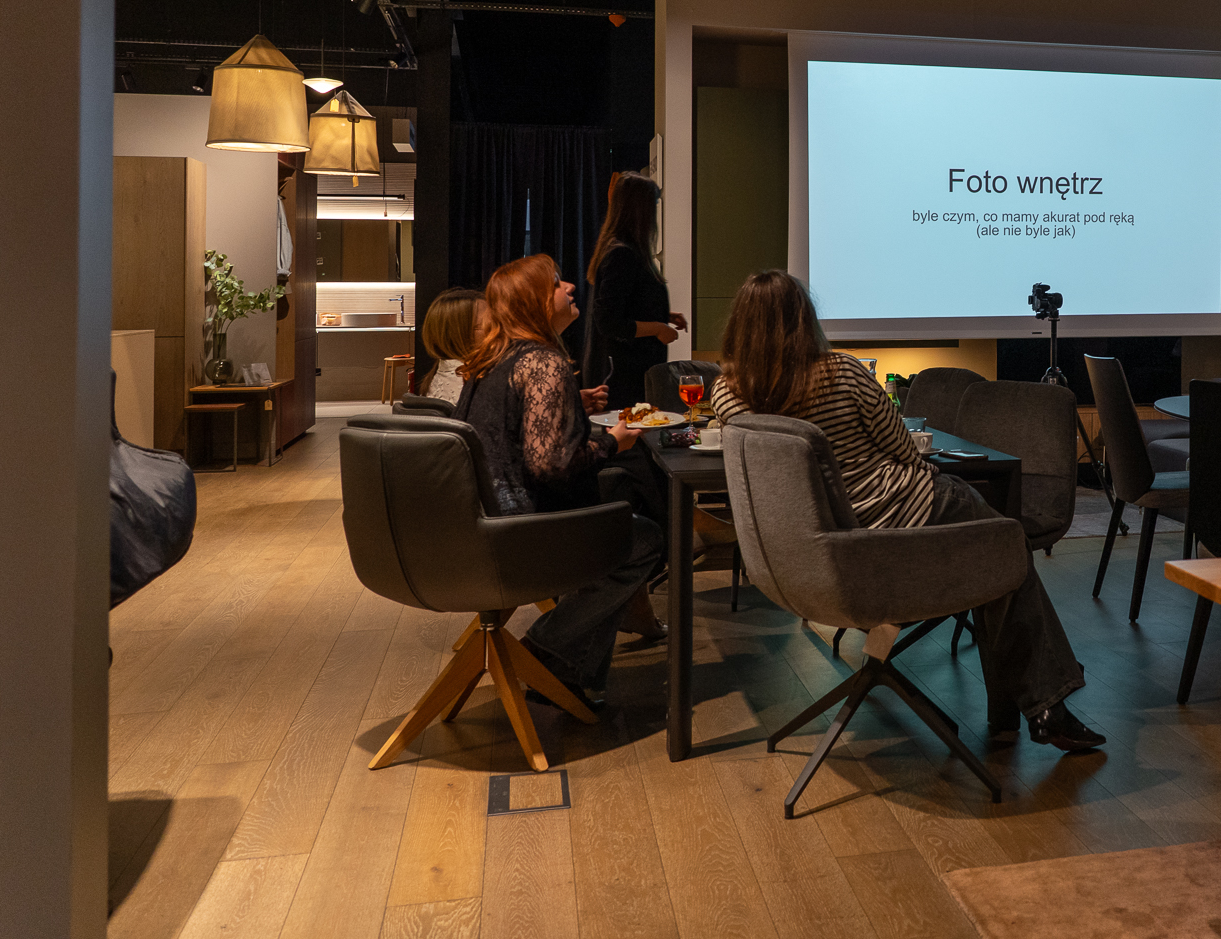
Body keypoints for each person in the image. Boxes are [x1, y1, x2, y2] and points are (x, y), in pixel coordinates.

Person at [710, 269, 1105, 752]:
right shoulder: (843, 372)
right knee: (1008, 549)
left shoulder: (726, 394)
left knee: (998, 555)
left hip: (824, 551)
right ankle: (1047, 705)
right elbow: (903, 448)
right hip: (913, 512)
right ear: (803, 320)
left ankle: (1044, 696)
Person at [454, 254, 665, 706]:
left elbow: (510, 434)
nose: (569, 287)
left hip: (480, 526)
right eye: (555, 283)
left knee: (619, 503)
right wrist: (613, 442)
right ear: (533, 303)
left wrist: (572, 408)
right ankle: (545, 650)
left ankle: (569, 677)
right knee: (643, 539)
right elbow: (550, 464)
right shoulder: (544, 362)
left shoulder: (491, 359)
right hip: (524, 535)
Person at [585, 173, 688, 410]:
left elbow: (627, 304)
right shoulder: (622, 254)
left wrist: (664, 315)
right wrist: (658, 328)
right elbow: (608, 321)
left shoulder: (622, 249)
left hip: (629, 373)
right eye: (653, 205)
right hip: (625, 377)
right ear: (640, 210)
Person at [416, 288, 482, 404]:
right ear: (459, 334)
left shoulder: (444, 371)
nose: (499, 330)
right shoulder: (469, 381)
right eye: (485, 325)